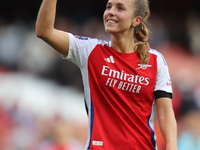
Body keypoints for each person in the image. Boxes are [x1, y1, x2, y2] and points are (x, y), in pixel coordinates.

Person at [36, 0, 178, 149]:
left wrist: (172, 146)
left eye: (120, 8)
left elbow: (165, 112)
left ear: (136, 20)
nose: (110, 12)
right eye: (108, 7)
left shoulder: (156, 60)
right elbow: (44, 31)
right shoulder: (89, 50)